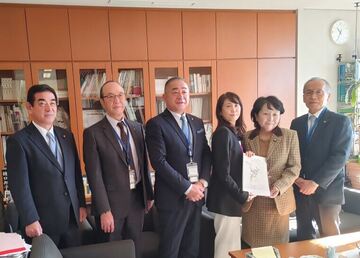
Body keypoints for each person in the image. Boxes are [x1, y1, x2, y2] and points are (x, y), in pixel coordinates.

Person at [6, 84, 86, 248]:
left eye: (53, 103)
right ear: (29, 107)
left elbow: (76, 174)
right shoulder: (19, 141)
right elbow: (19, 186)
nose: (49, 108)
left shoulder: (66, 136)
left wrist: (82, 204)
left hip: (71, 217)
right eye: (42, 103)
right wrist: (30, 219)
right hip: (42, 223)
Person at [83, 80, 154, 258]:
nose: (117, 100)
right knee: (113, 252)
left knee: (134, 249)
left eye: (120, 95)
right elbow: (94, 175)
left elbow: (143, 164)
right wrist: (104, 210)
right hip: (111, 206)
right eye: (111, 96)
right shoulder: (93, 133)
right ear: (102, 102)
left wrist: (149, 194)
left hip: (137, 200)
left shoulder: (137, 128)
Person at [145, 77, 211, 258]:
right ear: (164, 97)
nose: (180, 95)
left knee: (191, 249)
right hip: (172, 200)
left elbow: (206, 153)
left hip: (196, 196)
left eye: (184, 91)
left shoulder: (196, 122)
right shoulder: (156, 124)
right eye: (174, 91)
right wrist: (187, 188)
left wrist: (203, 182)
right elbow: (158, 162)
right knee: (170, 250)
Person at [290, 77, 352, 240]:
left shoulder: (340, 121)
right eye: (309, 92)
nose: (313, 96)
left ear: (328, 96)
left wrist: (315, 182)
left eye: (319, 92)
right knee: (304, 235)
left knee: (330, 238)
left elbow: (340, 157)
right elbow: (293, 153)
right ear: (303, 97)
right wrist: (297, 179)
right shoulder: (297, 123)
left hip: (327, 190)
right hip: (301, 190)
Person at [242, 96, 301, 247]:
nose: (271, 118)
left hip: (278, 201)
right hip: (254, 203)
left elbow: (294, 167)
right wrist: (245, 158)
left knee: (278, 247)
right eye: (266, 114)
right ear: (256, 115)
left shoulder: (290, 136)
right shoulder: (247, 137)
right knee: (253, 247)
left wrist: (279, 186)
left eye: (275, 114)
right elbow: (239, 166)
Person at [206, 92, 254, 257]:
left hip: (230, 200)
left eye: (236, 105)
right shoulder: (223, 133)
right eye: (228, 106)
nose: (234, 109)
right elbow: (222, 173)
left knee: (232, 245)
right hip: (225, 200)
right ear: (220, 111)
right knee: (226, 246)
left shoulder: (235, 133)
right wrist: (241, 195)